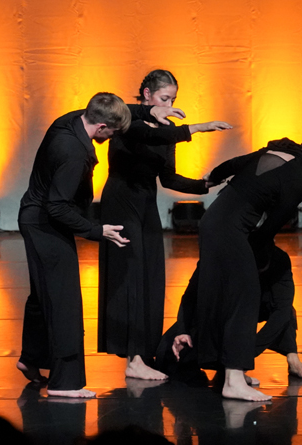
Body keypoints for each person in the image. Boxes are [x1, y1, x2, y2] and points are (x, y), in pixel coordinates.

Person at [17, 92, 185, 398]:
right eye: (113, 132)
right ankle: (64, 383)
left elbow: (114, 107)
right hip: (45, 225)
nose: (112, 138)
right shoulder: (73, 152)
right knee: (64, 301)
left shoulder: (71, 120)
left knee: (44, 295)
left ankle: (31, 358)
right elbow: (57, 206)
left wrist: (151, 109)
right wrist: (97, 230)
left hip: (35, 219)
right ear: (103, 127)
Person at [98, 69, 232, 381]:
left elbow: (168, 177)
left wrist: (205, 184)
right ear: (146, 94)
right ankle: (132, 358)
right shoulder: (127, 119)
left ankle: (143, 353)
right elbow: (146, 133)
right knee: (130, 275)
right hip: (121, 201)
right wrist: (197, 127)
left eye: (173, 99)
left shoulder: (167, 130)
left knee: (151, 276)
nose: (170, 104)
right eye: (163, 98)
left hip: (145, 203)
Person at [193, 131, 302, 401]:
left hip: (213, 222)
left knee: (227, 298)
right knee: (245, 299)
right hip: (230, 231)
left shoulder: (277, 152)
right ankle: (233, 379)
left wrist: (212, 179)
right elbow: (271, 227)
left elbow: (229, 166)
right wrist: (256, 256)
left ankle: (229, 374)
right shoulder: (300, 181)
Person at [156, 244, 302, 382]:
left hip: (257, 304)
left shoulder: (279, 259)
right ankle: (226, 369)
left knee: (286, 310)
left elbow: (282, 311)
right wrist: (183, 330)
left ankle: (293, 360)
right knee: (167, 355)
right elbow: (190, 297)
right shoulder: (219, 257)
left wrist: (244, 356)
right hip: (223, 307)